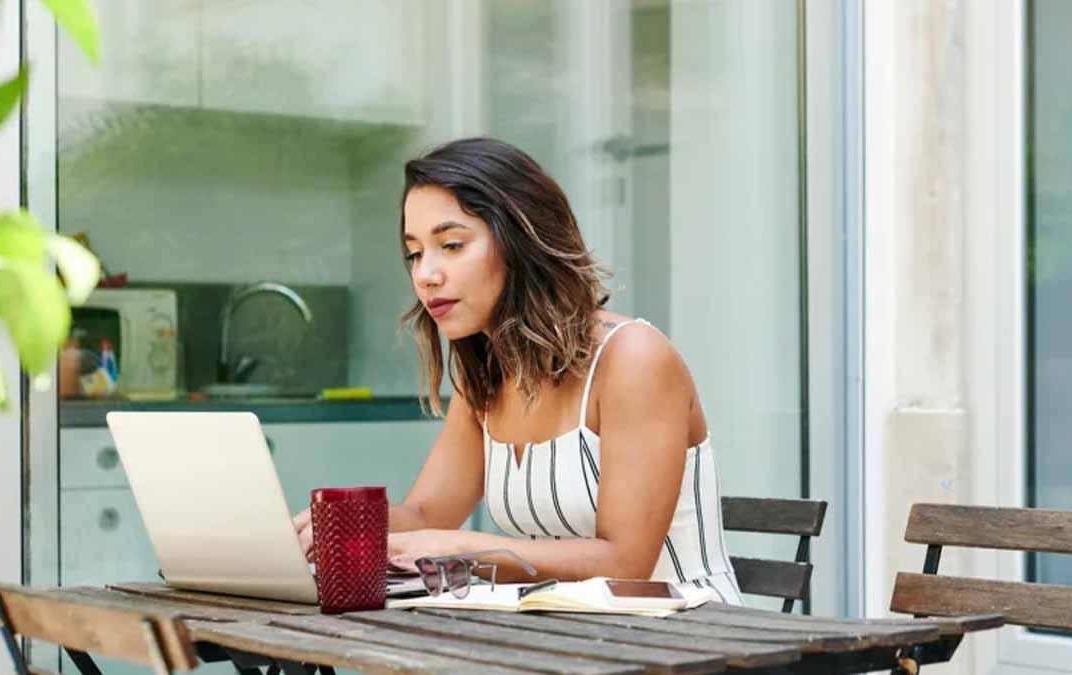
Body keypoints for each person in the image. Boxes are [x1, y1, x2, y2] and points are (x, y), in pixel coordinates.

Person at [294, 137, 742, 602]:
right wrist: (338, 527)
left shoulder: (634, 360)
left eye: (451, 244)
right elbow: (428, 516)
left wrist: (466, 547)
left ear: (521, 242)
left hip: (686, 635)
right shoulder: (486, 378)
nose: (426, 274)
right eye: (415, 253)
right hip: (565, 634)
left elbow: (627, 563)